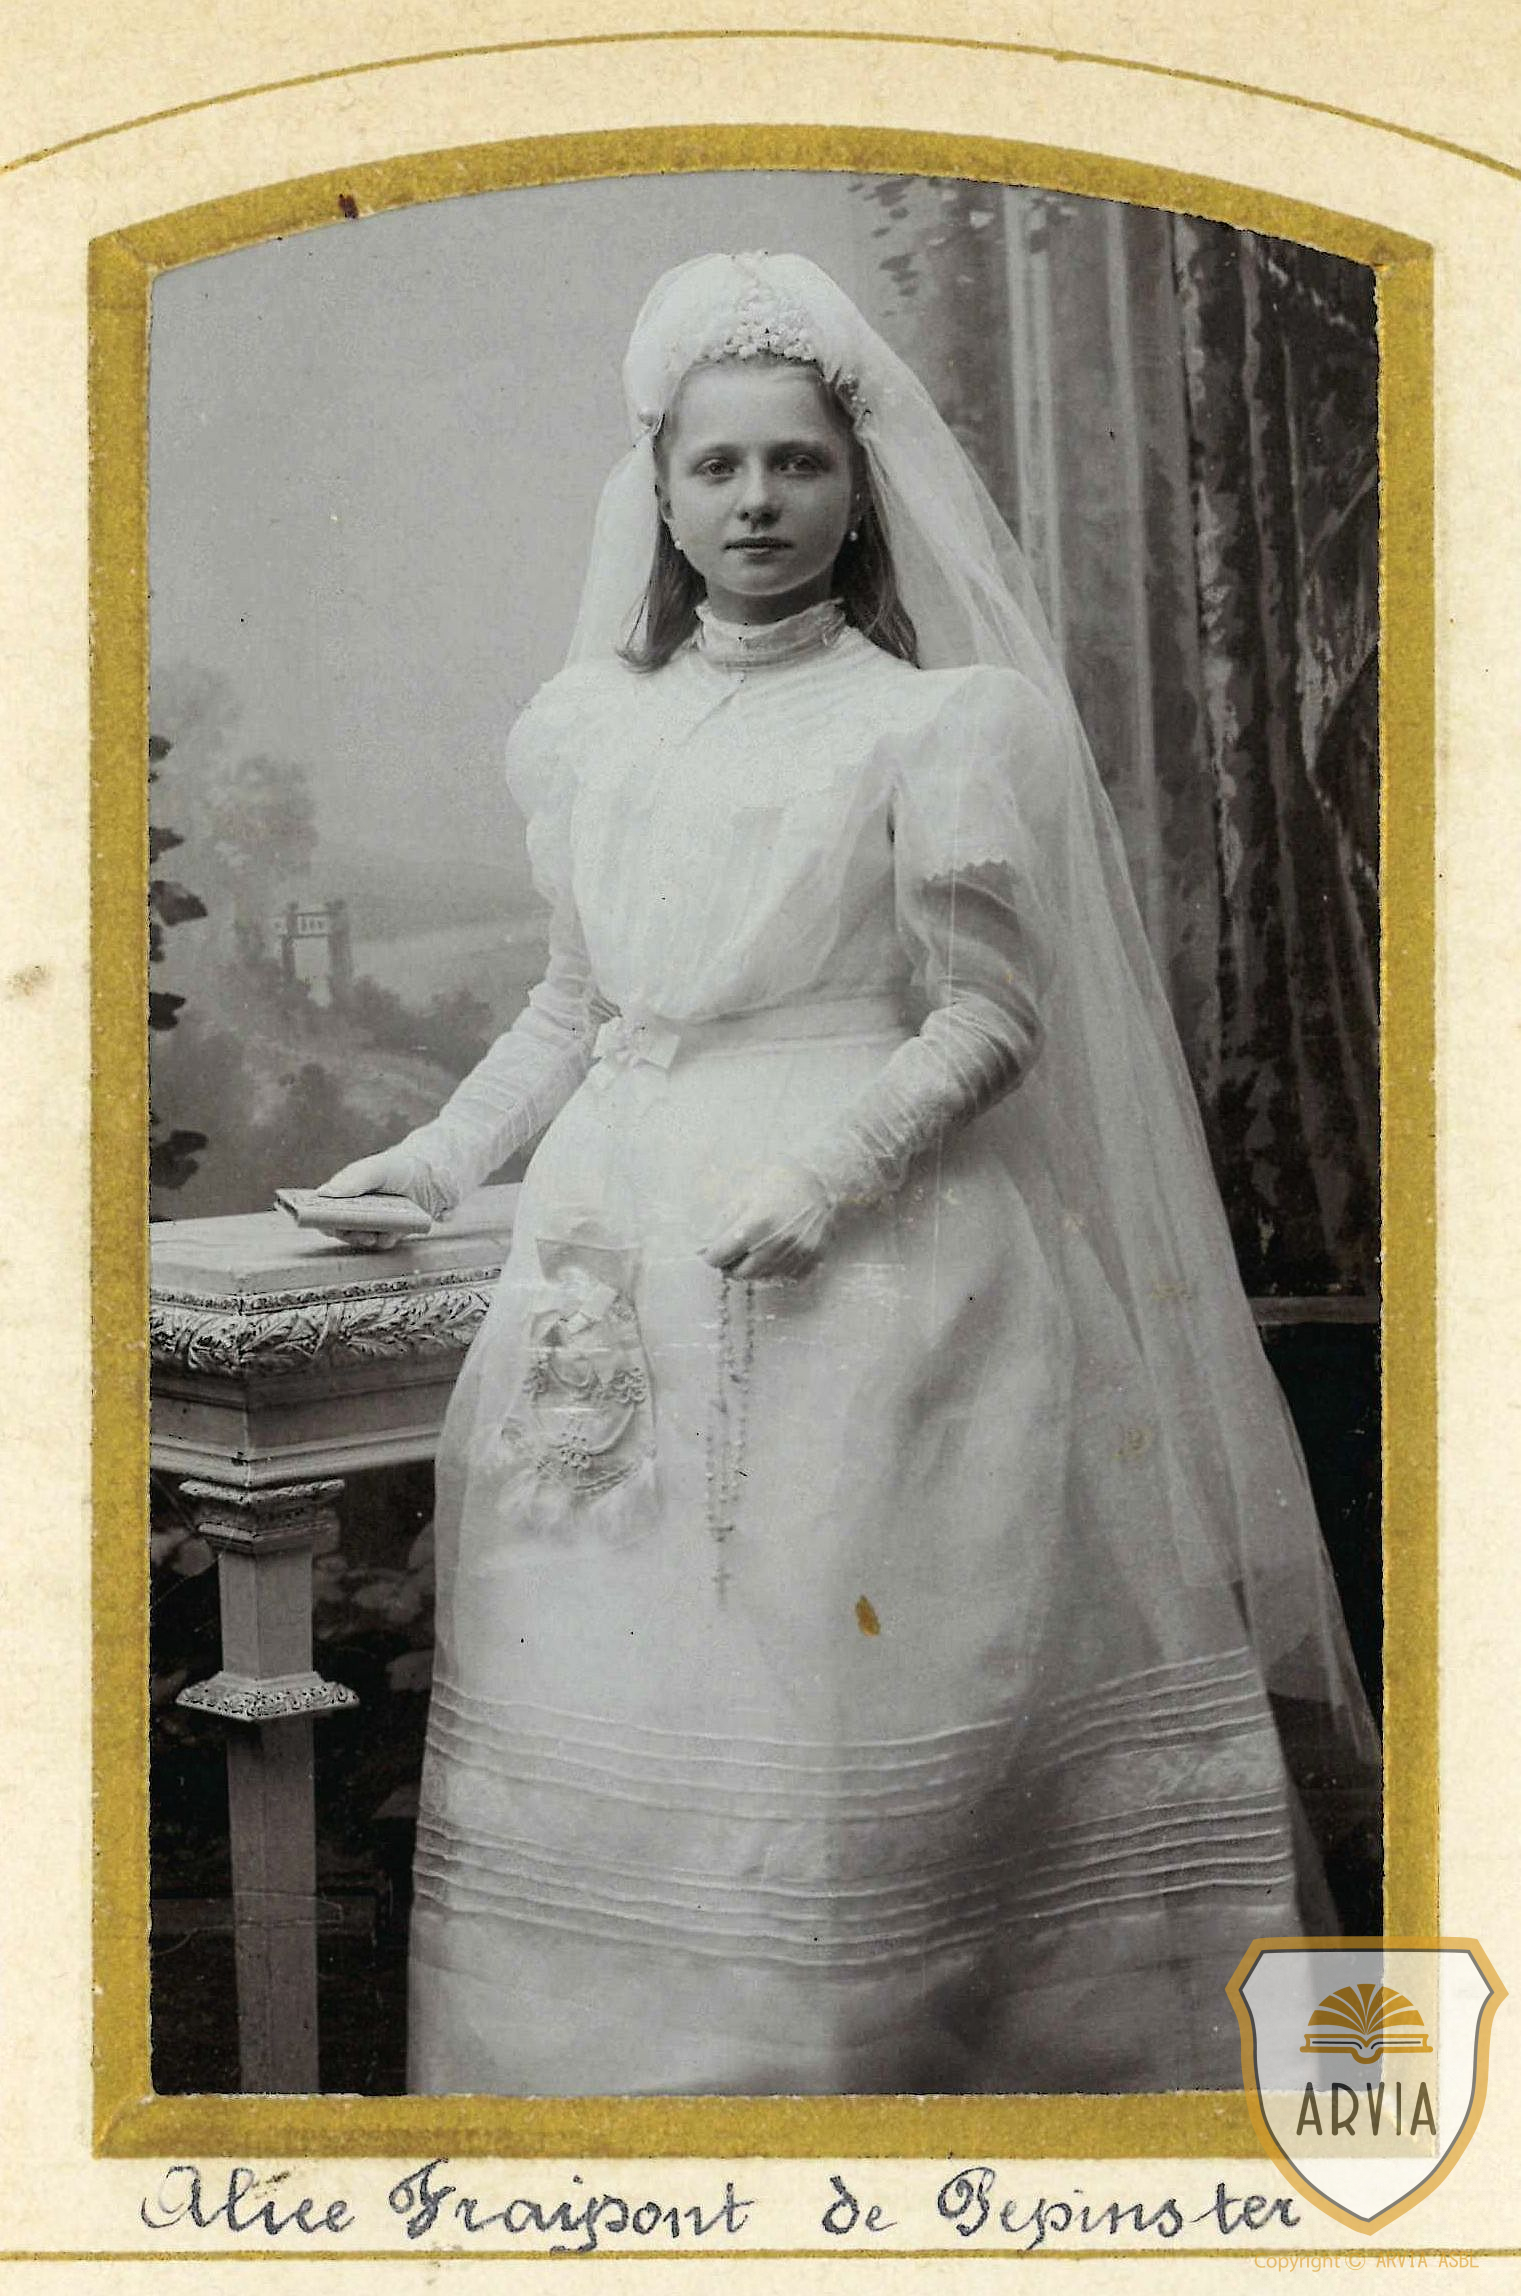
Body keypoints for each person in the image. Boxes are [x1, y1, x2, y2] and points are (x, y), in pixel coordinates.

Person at [320, 251, 1380, 2098]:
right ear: (659, 495)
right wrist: (432, 1157)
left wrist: (824, 1177)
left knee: (837, 1682)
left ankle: (891, 2087)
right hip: (612, 1256)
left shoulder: (937, 723)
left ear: (858, 488)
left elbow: (987, 1019)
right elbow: (574, 1002)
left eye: (797, 464)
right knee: (628, 1677)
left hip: (882, 1266)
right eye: (718, 466)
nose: (757, 502)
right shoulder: (591, 727)